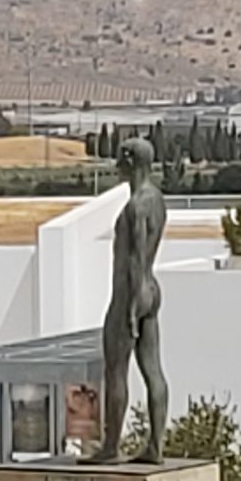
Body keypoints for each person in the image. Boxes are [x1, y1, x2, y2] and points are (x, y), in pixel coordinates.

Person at [83, 137, 168, 464]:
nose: (116, 165)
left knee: (116, 370)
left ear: (131, 162)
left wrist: (131, 308)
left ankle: (110, 447)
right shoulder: (157, 199)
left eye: (121, 159)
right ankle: (155, 447)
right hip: (152, 288)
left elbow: (134, 257)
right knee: (153, 371)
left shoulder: (135, 206)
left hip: (130, 293)